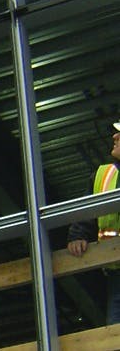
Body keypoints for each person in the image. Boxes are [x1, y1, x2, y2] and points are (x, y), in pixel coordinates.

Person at [66, 121, 120, 323]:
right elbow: (87, 211)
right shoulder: (103, 175)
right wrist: (77, 236)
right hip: (117, 273)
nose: (114, 137)